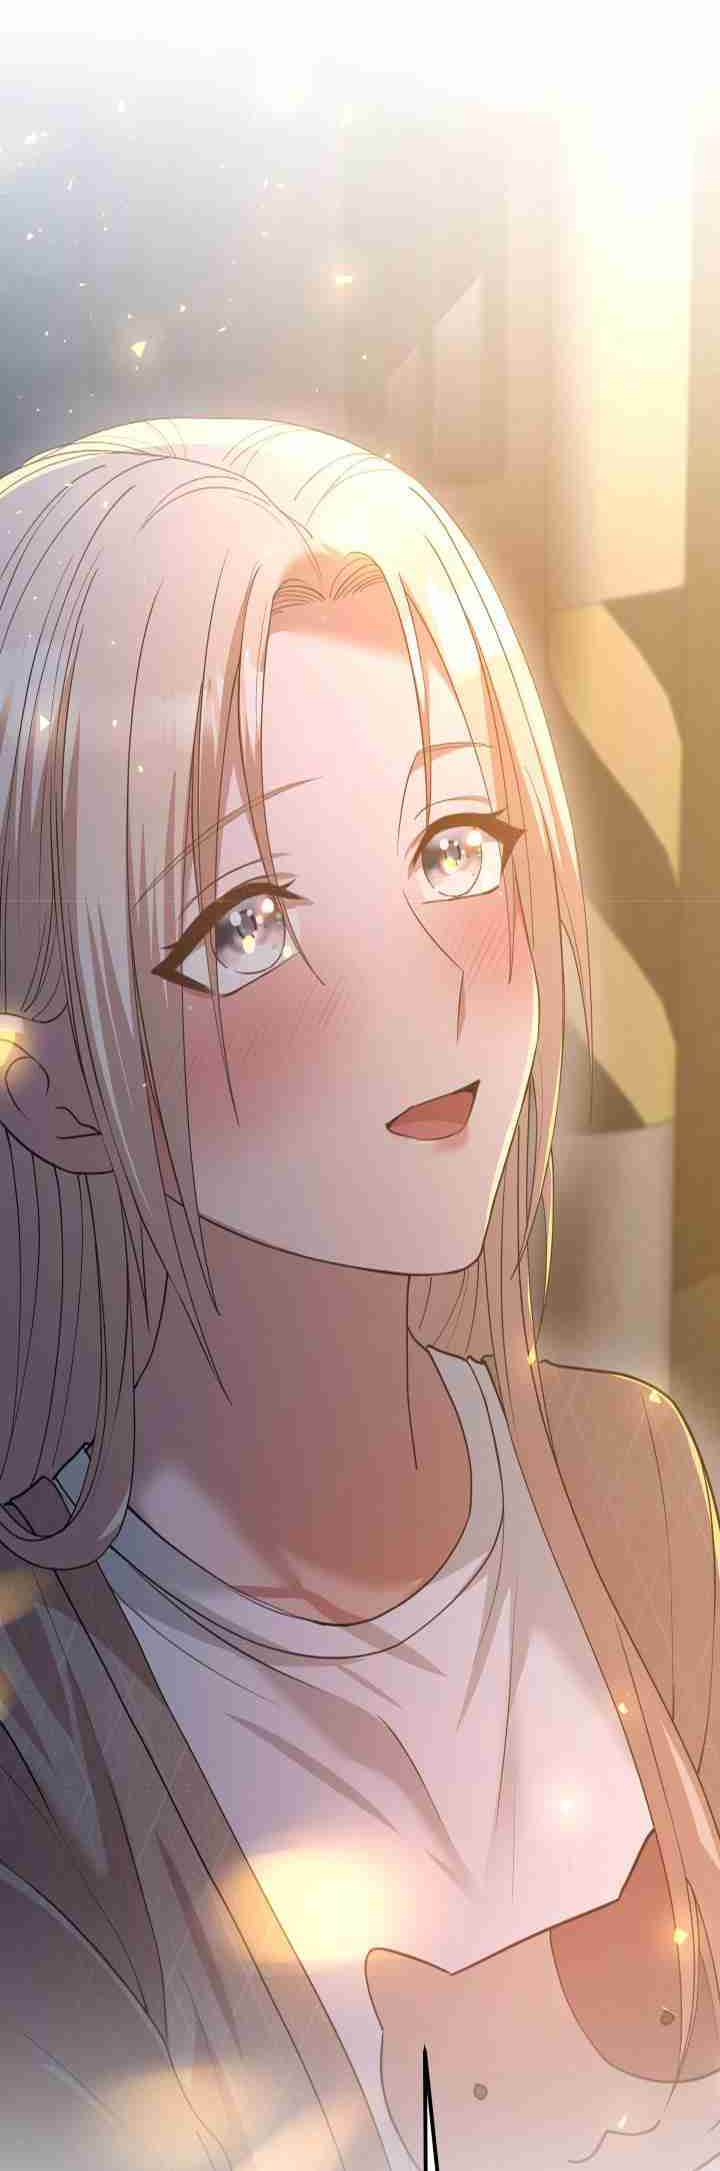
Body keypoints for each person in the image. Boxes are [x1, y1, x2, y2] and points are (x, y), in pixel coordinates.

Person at [0, 415, 719, 2171]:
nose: (422, 985)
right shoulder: (39, 1720)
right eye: (243, 918)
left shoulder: (625, 1471)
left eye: (455, 844)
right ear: (51, 1069)